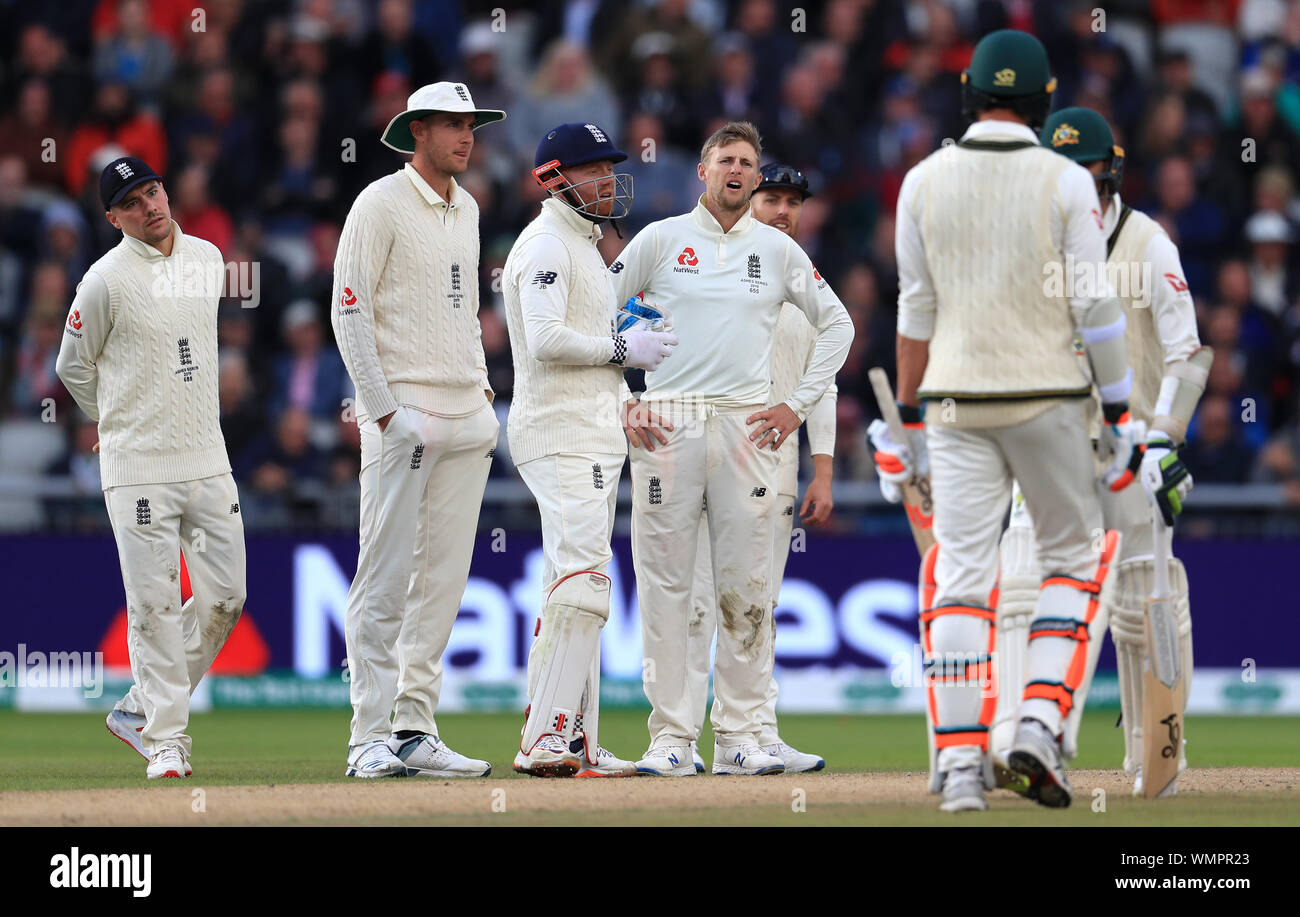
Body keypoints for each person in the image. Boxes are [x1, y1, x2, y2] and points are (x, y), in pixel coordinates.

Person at [871, 30, 1146, 812]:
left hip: (955, 400)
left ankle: (961, 768)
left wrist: (912, 425)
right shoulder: (1065, 182)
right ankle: (1035, 722)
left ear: (969, 94)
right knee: (1072, 560)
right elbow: (1094, 308)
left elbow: (914, 313)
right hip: (1049, 397)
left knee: (961, 574)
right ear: (1043, 99)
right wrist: (1119, 408)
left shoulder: (922, 180)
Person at [612, 121, 853, 777]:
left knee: (747, 589)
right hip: (670, 422)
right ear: (704, 170)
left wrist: (795, 405)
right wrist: (622, 400)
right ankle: (671, 740)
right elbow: (596, 319)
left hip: (748, 425)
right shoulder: (660, 242)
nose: (739, 171)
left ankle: (743, 737)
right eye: (728, 160)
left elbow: (839, 325)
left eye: (749, 161)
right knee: (669, 591)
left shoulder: (778, 254)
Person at [331, 82, 504, 779]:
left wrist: (485, 389)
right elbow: (349, 310)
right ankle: (367, 735)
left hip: (467, 414)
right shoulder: (378, 203)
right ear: (418, 131)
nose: (467, 137)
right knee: (384, 575)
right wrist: (381, 410)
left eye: (472, 126)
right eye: (453, 126)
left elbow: (464, 311)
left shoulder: (469, 209)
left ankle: (413, 726)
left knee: (443, 581)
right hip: (404, 412)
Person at [56, 156, 246, 780]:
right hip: (137, 466)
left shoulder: (209, 259)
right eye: (133, 202)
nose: (152, 206)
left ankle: (141, 707)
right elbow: (72, 367)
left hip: (206, 458)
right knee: (155, 604)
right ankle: (167, 741)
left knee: (226, 599)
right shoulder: (103, 281)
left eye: (155, 190)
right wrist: (114, 421)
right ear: (114, 218)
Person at [1038, 107, 1206, 796]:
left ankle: (1154, 749)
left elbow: (1187, 352)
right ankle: (1038, 745)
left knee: (1142, 599)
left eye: (1088, 170)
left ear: (1110, 171)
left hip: (1130, 449)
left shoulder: (1147, 242)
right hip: (1047, 447)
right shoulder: (1034, 244)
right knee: (1040, 591)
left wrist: (1165, 435)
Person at [502, 122, 678, 778]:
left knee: (572, 584)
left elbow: (585, 338)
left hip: (589, 430)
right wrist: (622, 347)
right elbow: (547, 339)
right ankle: (546, 737)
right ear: (554, 178)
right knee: (585, 577)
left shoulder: (584, 245)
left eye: (609, 167)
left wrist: (623, 349)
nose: (606, 179)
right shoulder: (547, 241)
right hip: (559, 433)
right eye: (592, 169)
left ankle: (576, 740)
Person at [683, 162, 835, 774]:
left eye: (793, 202)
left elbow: (820, 384)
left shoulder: (806, 285)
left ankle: (755, 734)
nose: (783, 211)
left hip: (775, 467)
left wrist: (822, 471)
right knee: (695, 604)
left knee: (757, 604)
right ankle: (678, 740)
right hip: (705, 457)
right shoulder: (711, 268)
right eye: (772, 198)